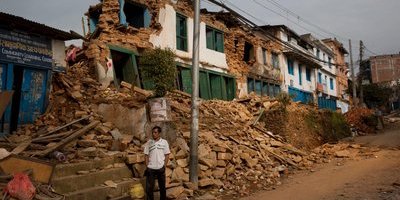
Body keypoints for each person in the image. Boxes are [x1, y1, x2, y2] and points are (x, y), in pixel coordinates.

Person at [144, 126, 170, 200]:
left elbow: (167, 154)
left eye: (155, 132)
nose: (153, 134)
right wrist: (147, 166)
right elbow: (146, 155)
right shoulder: (149, 142)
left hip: (160, 168)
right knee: (149, 188)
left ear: (159, 133)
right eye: (152, 132)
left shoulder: (164, 142)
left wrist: (164, 166)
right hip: (151, 169)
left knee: (162, 187)